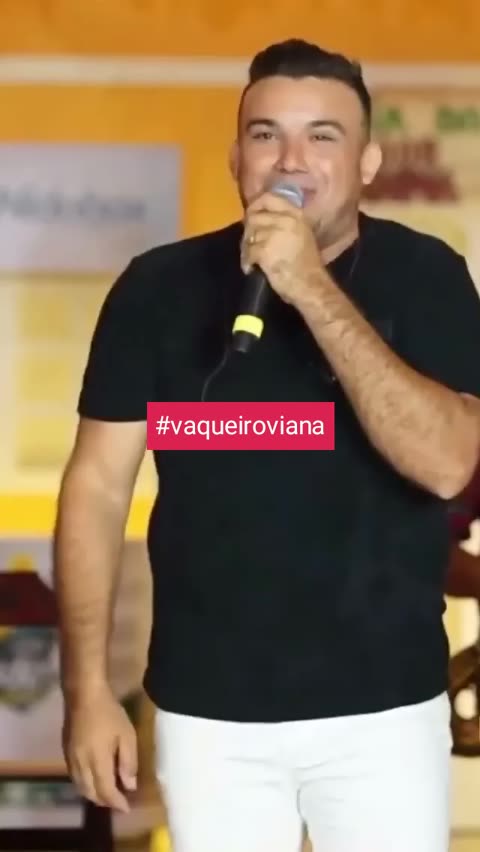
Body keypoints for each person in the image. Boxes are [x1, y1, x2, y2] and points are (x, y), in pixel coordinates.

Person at [53, 39, 480, 852]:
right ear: (235, 158)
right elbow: (98, 489)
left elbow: (447, 463)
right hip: (210, 715)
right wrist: (87, 689)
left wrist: (307, 285)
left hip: (385, 712)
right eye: (265, 134)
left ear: (367, 164)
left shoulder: (428, 278)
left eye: (323, 135)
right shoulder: (157, 288)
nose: (291, 159)